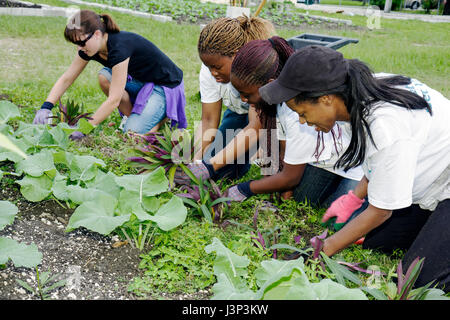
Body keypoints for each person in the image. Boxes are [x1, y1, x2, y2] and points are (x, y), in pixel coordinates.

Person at [259, 45, 450, 291]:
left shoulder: (385, 126)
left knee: (421, 283)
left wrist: (321, 250)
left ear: (326, 98)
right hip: (433, 178)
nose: (302, 122)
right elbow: (378, 164)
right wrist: (353, 198)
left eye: (304, 113)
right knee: (378, 243)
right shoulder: (355, 96)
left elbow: (381, 211)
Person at [224, 37, 366, 228]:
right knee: (304, 201)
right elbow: (284, 155)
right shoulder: (284, 103)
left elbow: (291, 176)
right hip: (325, 161)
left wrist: (245, 189)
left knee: (336, 222)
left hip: (356, 165)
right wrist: (283, 199)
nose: (243, 99)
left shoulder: (295, 110)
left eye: (247, 94)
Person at [33, 10, 187, 136]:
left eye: (81, 42)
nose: (79, 48)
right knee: (104, 77)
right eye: (76, 44)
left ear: (98, 34)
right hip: (141, 80)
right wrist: (46, 107)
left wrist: (85, 128)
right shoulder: (90, 47)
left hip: (165, 86)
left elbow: (114, 100)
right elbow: (67, 78)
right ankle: (135, 116)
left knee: (131, 133)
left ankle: (160, 120)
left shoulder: (119, 48)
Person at [173, 15, 275, 184]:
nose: (213, 73)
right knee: (216, 170)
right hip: (237, 114)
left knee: (215, 166)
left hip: (268, 122)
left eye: (217, 67)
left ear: (236, 57)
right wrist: (195, 162)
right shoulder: (210, 72)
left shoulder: (255, 68)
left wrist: (209, 166)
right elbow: (208, 120)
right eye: (208, 67)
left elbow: (255, 127)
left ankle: (264, 151)